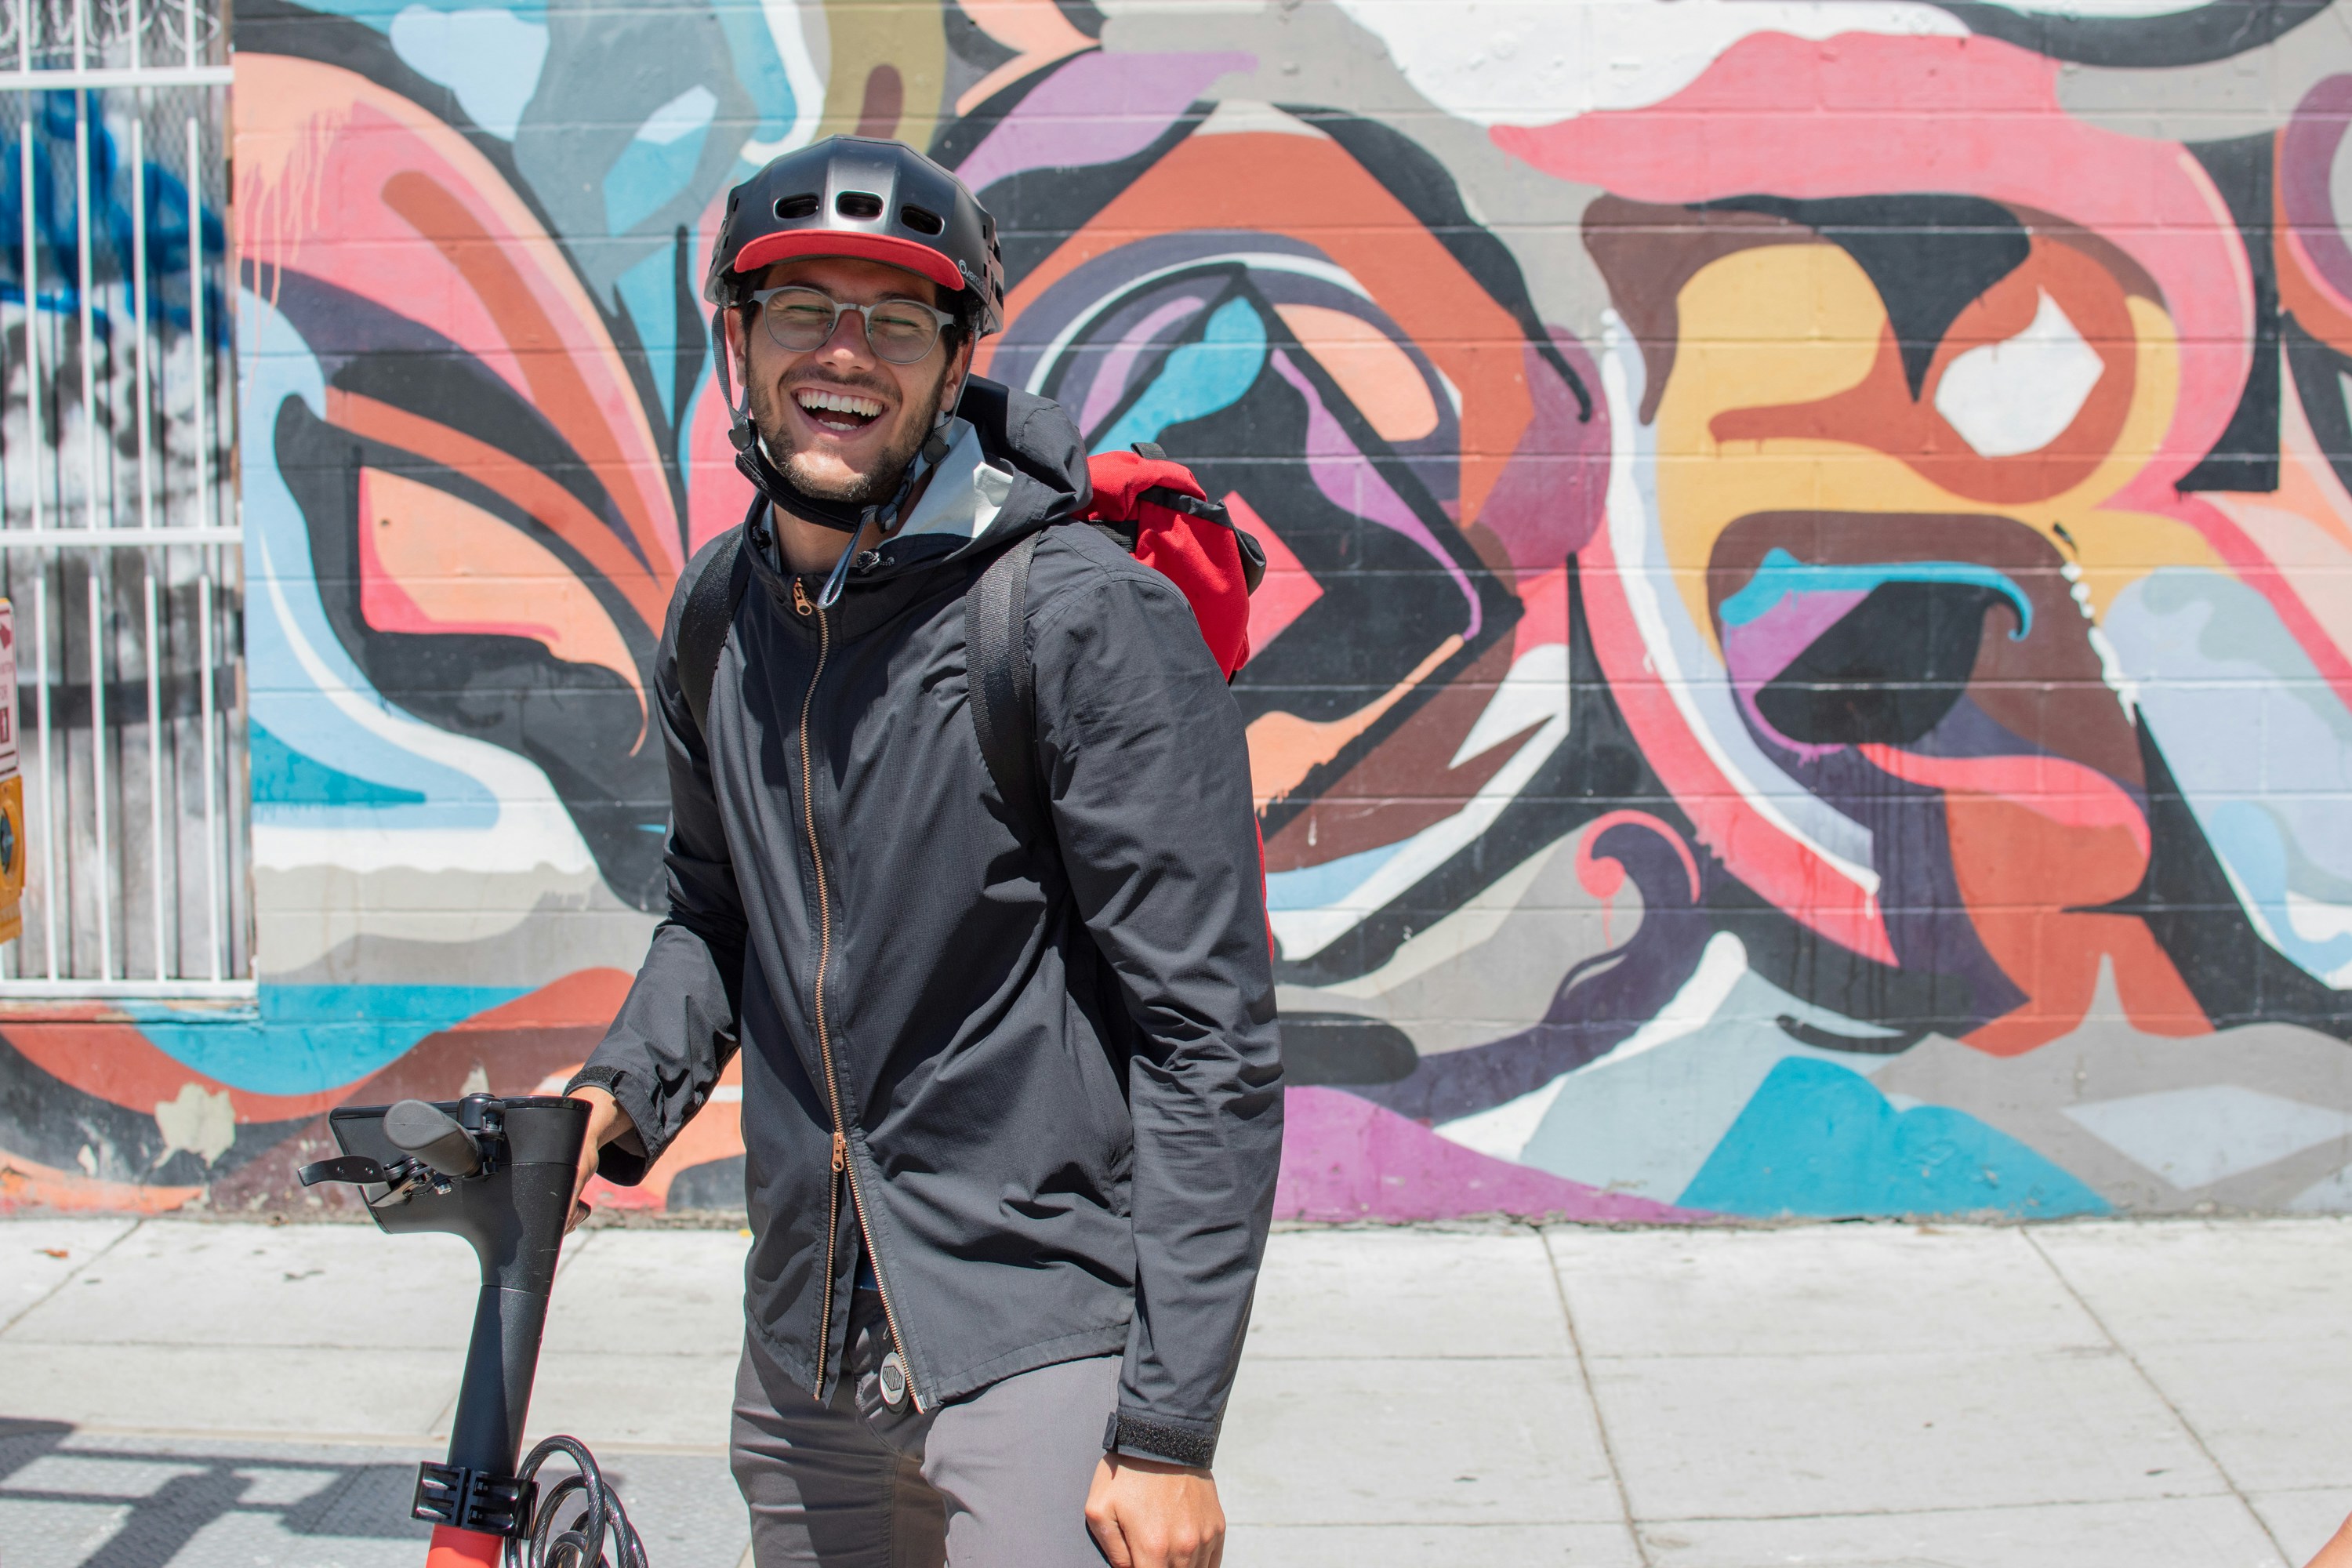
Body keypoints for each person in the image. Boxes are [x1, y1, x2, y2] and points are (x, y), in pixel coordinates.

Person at [561, 135, 1283, 1568]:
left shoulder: (1077, 619)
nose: (846, 354)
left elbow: (1211, 1040)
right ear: (737, 341)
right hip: (805, 1349)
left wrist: (1167, 1433)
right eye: (801, 310)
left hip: (1034, 1333)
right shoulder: (721, 612)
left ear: (957, 363)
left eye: (897, 319)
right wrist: (613, 1098)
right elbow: (714, 910)